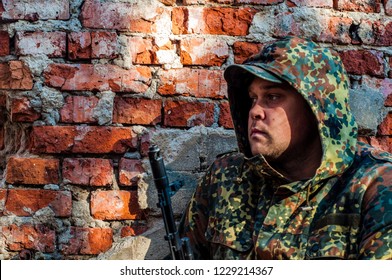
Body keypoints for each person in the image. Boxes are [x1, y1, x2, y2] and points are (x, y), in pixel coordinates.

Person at [179, 36, 392, 259]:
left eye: (272, 97)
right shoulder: (226, 178)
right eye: (253, 98)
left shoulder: (374, 185)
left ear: (316, 109)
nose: (255, 111)